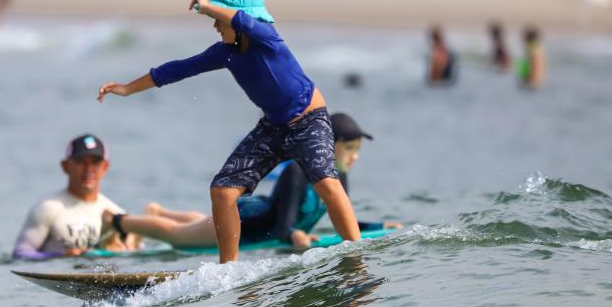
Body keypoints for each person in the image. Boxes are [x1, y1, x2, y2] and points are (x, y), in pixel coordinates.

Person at [97, 0, 361, 263]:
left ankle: (356, 255)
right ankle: (228, 269)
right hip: (273, 128)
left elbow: (243, 22)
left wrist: (207, 6)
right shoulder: (226, 53)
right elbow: (178, 69)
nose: (215, 25)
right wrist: (126, 88)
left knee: (326, 182)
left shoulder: (267, 38)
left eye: (218, 19)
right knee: (222, 191)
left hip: (309, 121)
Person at [102, 112, 402, 250]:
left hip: (257, 217)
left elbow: (344, 220)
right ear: (327, 144)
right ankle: (118, 222)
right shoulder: (297, 172)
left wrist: (379, 226)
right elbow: (284, 227)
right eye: (349, 148)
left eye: (357, 150)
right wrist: (295, 236)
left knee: (199, 224)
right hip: (247, 223)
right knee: (179, 236)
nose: (355, 157)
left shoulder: (339, 178)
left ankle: (158, 211)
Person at [11, 134, 139, 260]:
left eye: (95, 162)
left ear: (105, 167)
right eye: (80, 162)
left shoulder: (116, 214)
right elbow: (20, 254)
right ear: (65, 166)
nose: (88, 169)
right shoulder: (48, 208)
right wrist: (60, 256)